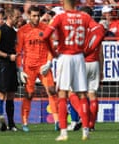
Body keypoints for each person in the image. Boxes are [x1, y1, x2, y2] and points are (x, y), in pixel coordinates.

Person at [42, 0, 102, 141]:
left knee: (62, 93)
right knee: (82, 94)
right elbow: (99, 31)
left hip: (65, 56)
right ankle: (86, 130)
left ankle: (64, 132)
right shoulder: (84, 16)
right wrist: (88, 50)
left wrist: (53, 52)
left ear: (63, 2)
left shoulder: (60, 17)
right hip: (80, 57)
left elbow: (45, 36)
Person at [16, 5, 59, 132]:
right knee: (29, 94)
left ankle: (57, 121)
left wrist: (49, 62)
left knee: (51, 90)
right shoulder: (22, 31)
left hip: (43, 65)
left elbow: (51, 48)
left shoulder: (46, 29)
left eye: (38, 16)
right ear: (29, 16)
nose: (36, 18)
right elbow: (19, 51)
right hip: (29, 67)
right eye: (34, 16)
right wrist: (20, 69)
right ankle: (24, 122)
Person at [67, 6, 105, 132]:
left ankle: (84, 118)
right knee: (92, 94)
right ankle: (91, 125)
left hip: (80, 62)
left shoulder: (78, 28)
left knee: (71, 92)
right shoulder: (98, 28)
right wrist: (101, 70)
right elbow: (100, 53)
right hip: (94, 63)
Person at [0, 7, 21, 131]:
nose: (19, 19)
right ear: (10, 17)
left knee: (11, 94)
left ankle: (11, 123)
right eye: (17, 17)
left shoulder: (14, 32)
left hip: (11, 65)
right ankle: (0, 122)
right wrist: (7, 56)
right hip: (3, 65)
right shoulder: (1, 31)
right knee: (1, 94)